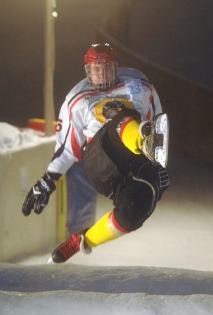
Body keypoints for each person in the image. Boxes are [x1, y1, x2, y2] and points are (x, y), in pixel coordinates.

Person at [22, 42, 169, 263]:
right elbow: (67, 149)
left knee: (134, 212)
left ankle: (80, 241)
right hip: (100, 160)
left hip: (135, 159)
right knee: (123, 118)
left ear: (115, 67)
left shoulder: (139, 85)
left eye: (106, 68)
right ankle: (141, 141)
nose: (100, 74)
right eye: (95, 69)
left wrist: (159, 169)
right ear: (87, 70)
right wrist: (47, 182)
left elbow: (158, 125)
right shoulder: (77, 99)